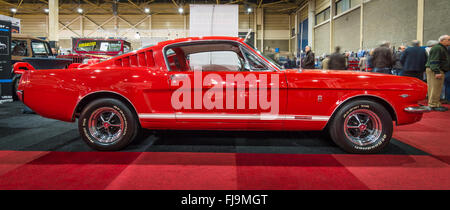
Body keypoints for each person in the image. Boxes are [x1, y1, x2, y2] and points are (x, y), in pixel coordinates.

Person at [425, 35, 450, 111]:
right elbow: (434, 60)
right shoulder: (438, 48)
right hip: (435, 70)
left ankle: (435, 103)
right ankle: (433, 104)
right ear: (442, 40)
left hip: (436, 69)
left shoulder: (441, 48)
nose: (449, 41)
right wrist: (437, 72)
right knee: (435, 88)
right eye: (448, 39)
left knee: (436, 88)